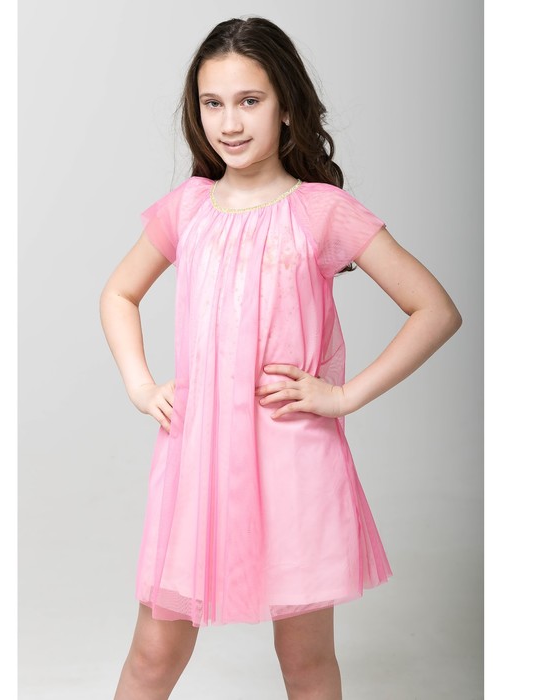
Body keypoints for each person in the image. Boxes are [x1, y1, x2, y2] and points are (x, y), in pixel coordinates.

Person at [100, 15, 462, 700]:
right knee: (153, 653)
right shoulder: (188, 207)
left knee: (305, 661)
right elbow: (118, 293)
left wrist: (343, 395)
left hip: (294, 462)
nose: (230, 122)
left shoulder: (322, 211)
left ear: (287, 105)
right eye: (213, 103)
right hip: (199, 463)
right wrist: (142, 386)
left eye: (250, 100)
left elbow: (435, 310)